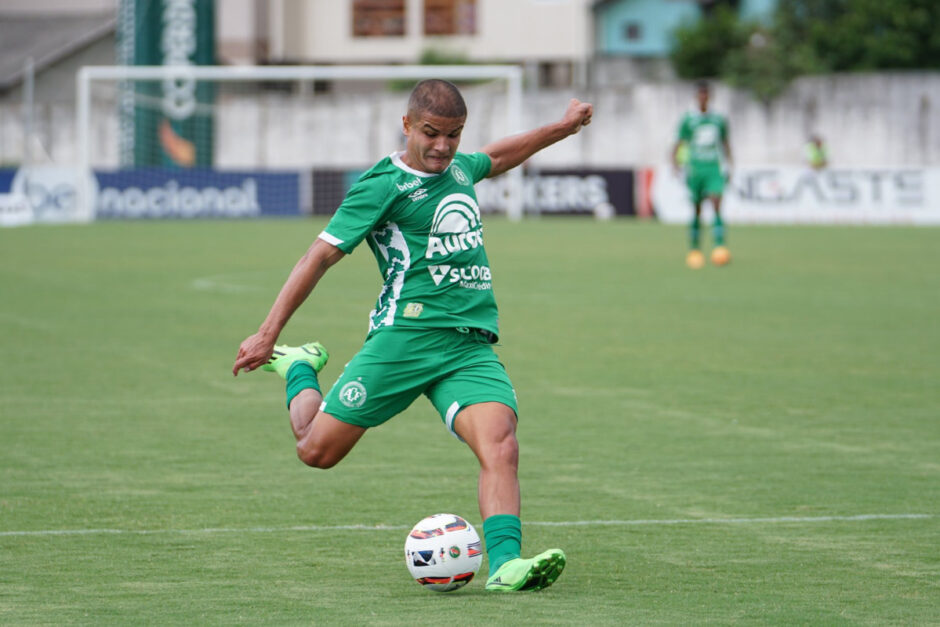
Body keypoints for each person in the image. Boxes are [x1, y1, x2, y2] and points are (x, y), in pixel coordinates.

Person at [233, 79, 593, 592]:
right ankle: (299, 368)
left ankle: (507, 565)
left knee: (501, 445)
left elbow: (498, 155)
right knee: (315, 451)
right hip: (403, 339)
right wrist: (269, 334)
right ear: (407, 125)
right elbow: (319, 256)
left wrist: (561, 127)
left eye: (454, 135)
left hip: (467, 346)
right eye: (431, 133)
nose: (443, 146)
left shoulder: (461, 169)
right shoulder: (381, 186)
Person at [672, 81, 732, 268]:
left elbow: (725, 142)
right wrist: (675, 164)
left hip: (713, 168)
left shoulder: (718, 119)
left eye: (706, 94)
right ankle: (695, 249)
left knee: (716, 202)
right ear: (696, 97)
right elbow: (679, 143)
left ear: (709, 96)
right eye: (700, 94)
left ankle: (719, 247)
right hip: (695, 169)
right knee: (697, 209)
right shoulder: (688, 119)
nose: (703, 98)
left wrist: (730, 164)